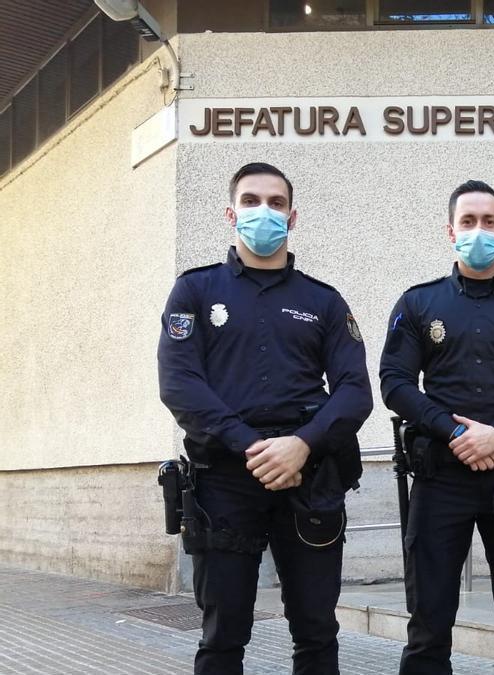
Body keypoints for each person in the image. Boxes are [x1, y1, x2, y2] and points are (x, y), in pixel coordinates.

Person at [158, 162, 373, 674]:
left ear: (292, 217)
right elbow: (180, 384)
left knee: (317, 631)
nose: (264, 212)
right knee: (223, 635)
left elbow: (355, 390)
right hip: (226, 482)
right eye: (252, 202)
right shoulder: (195, 292)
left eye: (276, 204)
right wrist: (252, 446)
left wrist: (301, 444)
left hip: (310, 478)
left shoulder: (322, 301)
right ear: (231, 213)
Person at [379, 180, 494, 674]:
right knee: (428, 623)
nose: (479, 231)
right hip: (442, 478)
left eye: (488, 222)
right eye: (468, 222)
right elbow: (395, 382)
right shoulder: (418, 304)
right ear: (450, 231)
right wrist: (455, 432)